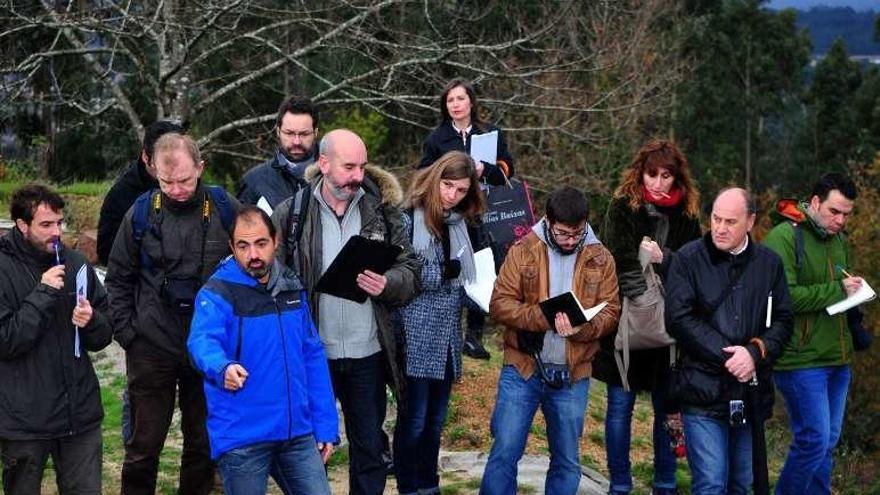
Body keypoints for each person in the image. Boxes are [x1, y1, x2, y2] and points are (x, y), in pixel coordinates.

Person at [271, 129, 421, 495]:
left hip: (367, 354)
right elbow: (268, 276)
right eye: (349, 167)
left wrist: (389, 283)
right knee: (308, 452)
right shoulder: (292, 214)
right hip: (312, 356)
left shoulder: (382, 212)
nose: (358, 176)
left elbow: (412, 269)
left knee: (369, 450)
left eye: (362, 166)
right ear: (323, 164)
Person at [105, 133, 239, 495]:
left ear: (200, 167)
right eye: (167, 182)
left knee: (202, 442)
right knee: (142, 446)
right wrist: (129, 335)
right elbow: (117, 280)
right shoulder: (141, 213)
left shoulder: (225, 208)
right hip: (151, 345)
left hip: (208, 345)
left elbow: (251, 268)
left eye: (184, 180)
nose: (177, 189)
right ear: (153, 173)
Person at [479, 186, 621, 495]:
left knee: (568, 460)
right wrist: (542, 318)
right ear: (548, 222)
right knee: (505, 452)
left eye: (577, 233)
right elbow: (499, 303)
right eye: (562, 234)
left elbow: (611, 311)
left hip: (574, 373)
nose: (570, 240)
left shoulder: (601, 257)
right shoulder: (523, 249)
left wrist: (581, 329)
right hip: (523, 369)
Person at [188, 206, 338, 495]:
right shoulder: (217, 292)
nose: (253, 255)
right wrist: (222, 367)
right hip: (243, 437)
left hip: (297, 433)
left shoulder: (292, 286)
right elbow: (201, 341)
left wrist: (325, 426)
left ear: (275, 241)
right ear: (232, 247)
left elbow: (312, 357)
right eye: (243, 246)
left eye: (260, 244)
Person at [665, 188, 794, 495]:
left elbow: (784, 320)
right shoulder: (688, 258)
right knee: (710, 483)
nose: (720, 228)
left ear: (750, 222)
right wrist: (729, 357)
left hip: (750, 393)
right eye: (715, 219)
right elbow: (678, 318)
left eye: (730, 221)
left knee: (742, 484)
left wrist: (754, 353)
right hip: (702, 390)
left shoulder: (769, 264)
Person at [591, 138, 702, 495]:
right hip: (626, 324)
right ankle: (619, 485)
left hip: (671, 331)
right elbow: (616, 257)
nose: (657, 182)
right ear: (641, 172)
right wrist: (644, 298)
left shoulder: (687, 215)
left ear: (676, 177)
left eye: (665, 175)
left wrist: (662, 259)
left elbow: (693, 266)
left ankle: (665, 485)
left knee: (667, 411)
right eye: (651, 174)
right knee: (619, 408)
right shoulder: (623, 206)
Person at [0, 185, 113, 494]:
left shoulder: (77, 264)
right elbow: (7, 340)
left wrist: (92, 322)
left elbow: (104, 334)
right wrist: (44, 293)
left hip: (80, 415)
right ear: (22, 226)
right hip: (24, 420)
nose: (56, 231)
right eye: (46, 224)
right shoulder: (3, 268)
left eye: (59, 223)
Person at [393, 151, 487, 495]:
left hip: (447, 337)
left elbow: (466, 278)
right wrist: (442, 274)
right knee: (414, 422)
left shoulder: (461, 224)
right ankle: (408, 485)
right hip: (415, 335)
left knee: (435, 424)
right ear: (435, 179)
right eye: (448, 186)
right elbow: (402, 275)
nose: (452, 195)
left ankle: (429, 484)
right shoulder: (407, 218)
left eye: (461, 190)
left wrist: (479, 291)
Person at [763, 173, 860, 495]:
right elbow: (783, 297)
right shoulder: (784, 237)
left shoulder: (839, 241)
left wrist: (856, 300)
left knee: (826, 445)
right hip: (799, 359)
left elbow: (840, 292)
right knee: (813, 441)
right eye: (835, 211)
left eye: (846, 214)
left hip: (837, 357)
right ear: (815, 202)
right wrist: (837, 290)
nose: (840, 220)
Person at [419, 78, 514, 360]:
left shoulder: (491, 133)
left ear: (471, 101)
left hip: (484, 212)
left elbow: (508, 170)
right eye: (450, 100)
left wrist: (485, 169)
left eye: (460, 99)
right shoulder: (437, 138)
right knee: (454, 267)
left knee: (482, 268)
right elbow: (423, 173)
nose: (456, 105)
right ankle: (452, 331)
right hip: (449, 215)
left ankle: (474, 335)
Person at [97, 120, 184, 266]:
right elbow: (106, 254)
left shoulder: (193, 187)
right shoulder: (121, 195)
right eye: (164, 163)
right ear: (146, 157)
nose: (172, 171)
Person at [238, 96, 320, 209]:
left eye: (304, 134)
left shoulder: (334, 175)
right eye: (289, 133)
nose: (296, 141)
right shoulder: (254, 181)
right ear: (278, 131)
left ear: (315, 133)